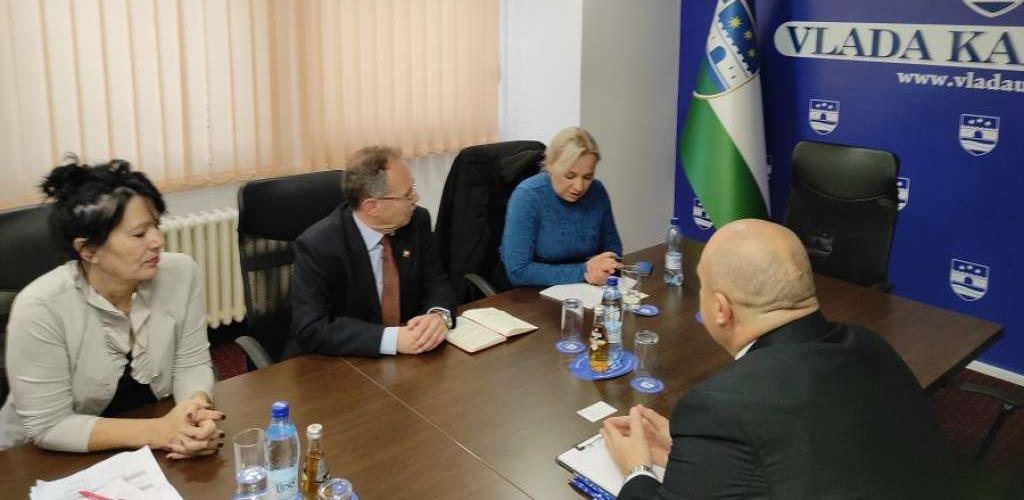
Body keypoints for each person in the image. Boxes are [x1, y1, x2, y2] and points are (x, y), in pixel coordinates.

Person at [602, 219, 965, 499]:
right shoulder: (870, 344)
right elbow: (803, 449)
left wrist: (636, 468)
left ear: (721, 309)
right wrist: (692, 448)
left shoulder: (720, 407)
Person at [0, 159, 224, 458]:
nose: (158, 241)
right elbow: (49, 426)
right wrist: (159, 431)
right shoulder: (40, 307)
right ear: (88, 250)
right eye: (139, 234)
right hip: (40, 459)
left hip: (147, 445)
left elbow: (190, 363)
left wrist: (194, 412)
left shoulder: (180, 273)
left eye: (156, 226)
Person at [288, 146, 457, 357]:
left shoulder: (416, 222)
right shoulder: (318, 246)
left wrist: (438, 315)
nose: (416, 198)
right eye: (407, 194)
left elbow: (436, 282)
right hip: (344, 361)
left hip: (413, 356)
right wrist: (392, 339)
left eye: (412, 188)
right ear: (372, 207)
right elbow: (312, 329)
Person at [500, 127, 622, 286]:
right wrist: (584, 271)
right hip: (533, 291)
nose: (579, 187)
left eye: (587, 177)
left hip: (586, 288)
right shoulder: (527, 196)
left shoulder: (597, 191)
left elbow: (613, 249)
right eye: (570, 176)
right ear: (550, 165)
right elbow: (518, 271)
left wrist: (606, 267)